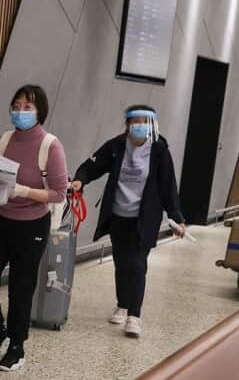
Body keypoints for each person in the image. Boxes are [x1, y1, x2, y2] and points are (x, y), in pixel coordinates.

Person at [0, 84, 69, 372]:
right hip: (0, 219)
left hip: (32, 224)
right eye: (16, 106)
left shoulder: (50, 146)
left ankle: (17, 346)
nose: (20, 112)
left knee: (21, 289)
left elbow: (59, 193)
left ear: (40, 112)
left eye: (28, 107)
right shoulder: (5, 139)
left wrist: (23, 190)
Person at [71, 104, 185, 339]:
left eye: (144, 122)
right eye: (135, 122)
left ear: (151, 125)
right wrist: (80, 180)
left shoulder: (160, 150)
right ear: (127, 125)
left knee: (137, 265)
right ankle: (122, 305)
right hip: (118, 216)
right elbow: (92, 165)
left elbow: (168, 187)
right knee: (122, 263)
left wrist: (177, 218)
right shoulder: (116, 146)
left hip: (144, 218)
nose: (139, 126)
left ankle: (134, 315)